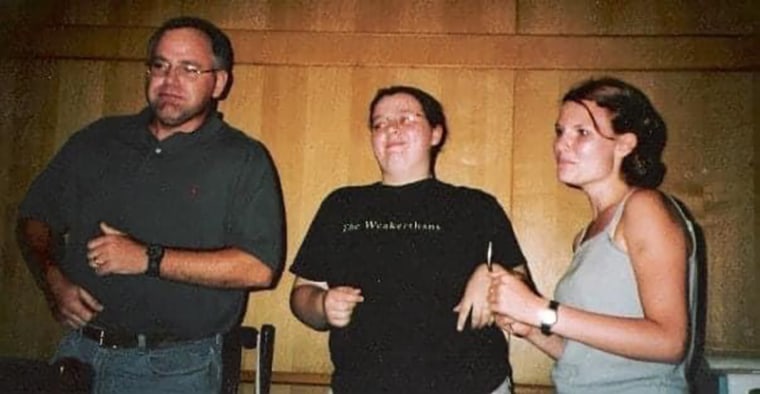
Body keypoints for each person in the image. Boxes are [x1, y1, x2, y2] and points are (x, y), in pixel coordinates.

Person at [16, 16, 284, 393]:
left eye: (189, 69)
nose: (170, 81)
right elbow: (34, 218)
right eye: (160, 66)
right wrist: (52, 280)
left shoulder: (243, 158)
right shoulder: (98, 139)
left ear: (219, 82)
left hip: (174, 370)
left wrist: (147, 258)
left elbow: (258, 268)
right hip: (77, 353)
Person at [289, 85, 529, 394]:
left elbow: (524, 291)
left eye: (405, 119)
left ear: (435, 133)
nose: (391, 129)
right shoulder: (342, 205)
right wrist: (321, 304)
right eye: (380, 123)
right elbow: (301, 294)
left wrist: (493, 274)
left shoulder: (476, 206)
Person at [488, 77, 698, 393]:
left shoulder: (644, 207)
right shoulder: (586, 234)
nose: (561, 144)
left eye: (582, 133)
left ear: (625, 144)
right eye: (560, 132)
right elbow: (587, 358)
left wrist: (540, 310)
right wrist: (532, 328)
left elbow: (669, 342)